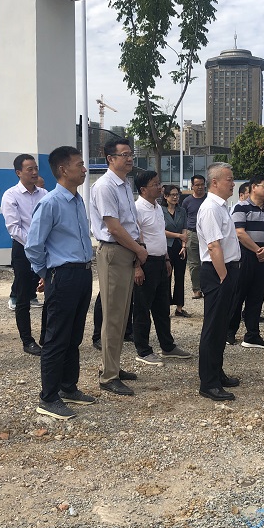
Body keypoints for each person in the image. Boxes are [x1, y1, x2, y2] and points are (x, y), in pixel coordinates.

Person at [24, 146, 95, 420]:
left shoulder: (77, 200)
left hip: (82, 273)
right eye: (80, 164)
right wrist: (47, 273)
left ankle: (68, 387)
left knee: (74, 335)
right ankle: (48, 397)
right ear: (63, 169)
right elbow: (33, 246)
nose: (84, 169)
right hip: (63, 275)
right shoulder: (51, 203)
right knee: (56, 337)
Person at [90, 137, 147, 396]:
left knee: (122, 314)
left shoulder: (124, 184)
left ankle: (112, 365)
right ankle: (108, 376)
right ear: (110, 159)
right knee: (113, 315)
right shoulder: (105, 186)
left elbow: (131, 221)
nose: (129, 158)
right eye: (124, 154)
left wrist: (137, 246)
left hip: (127, 250)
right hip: (114, 252)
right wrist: (139, 250)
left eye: (130, 153)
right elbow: (113, 227)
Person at [132, 171, 193, 365]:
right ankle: (143, 350)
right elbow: (135, 238)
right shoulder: (137, 209)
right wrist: (137, 267)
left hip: (160, 261)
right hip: (145, 263)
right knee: (142, 309)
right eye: (155, 184)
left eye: (159, 183)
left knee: (162, 307)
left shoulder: (158, 208)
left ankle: (167, 346)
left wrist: (166, 259)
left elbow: (159, 235)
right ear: (143, 189)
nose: (160, 187)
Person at [196, 163, 242, 401]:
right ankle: (208, 383)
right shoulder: (211, 208)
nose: (233, 183)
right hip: (217, 272)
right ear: (214, 182)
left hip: (226, 271)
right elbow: (213, 246)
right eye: (229, 179)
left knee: (221, 326)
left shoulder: (222, 207)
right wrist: (223, 276)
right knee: (213, 328)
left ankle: (217, 371)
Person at [1, 154, 47, 356]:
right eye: (30, 169)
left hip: (45, 249)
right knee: (23, 296)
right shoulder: (11, 195)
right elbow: (14, 228)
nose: (35, 172)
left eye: (36, 168)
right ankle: (27, 340)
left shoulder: (44, 194)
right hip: (23, 249)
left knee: (50, 291)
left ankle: (47, 336)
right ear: (19, 173)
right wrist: (34, 245)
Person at [226, 174, 264, 349]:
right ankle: (229, 332)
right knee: (238, 294)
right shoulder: (241, 207)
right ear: (254, 187)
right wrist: (257, 250)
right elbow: (239, 232)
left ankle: (252, 335)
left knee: (257, 296)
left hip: (262, 257)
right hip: (245, 255)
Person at [162, 184, 189, 318]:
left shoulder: (182, 211)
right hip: (166, 247)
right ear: (165, 196)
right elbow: (161, 231)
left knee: (180, 277)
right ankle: (164, 307)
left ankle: (179, 307)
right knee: (166, 277)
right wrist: (178, 235)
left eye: (177, 194)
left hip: (179, 247)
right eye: (172, 195)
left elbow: (184, 228)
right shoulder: (160, 211)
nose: (175, 197)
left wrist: (184, 245)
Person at [182, 174, 207, 299]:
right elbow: (184, 218)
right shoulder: (187, 201)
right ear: (192, 186)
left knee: (207, 262)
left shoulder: (209, 199)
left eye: (202, 184)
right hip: (192, 234)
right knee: (194, 263)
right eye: (197, 185)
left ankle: (207, 287)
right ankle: (196, 289)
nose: (200, 187)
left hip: (207, 234)